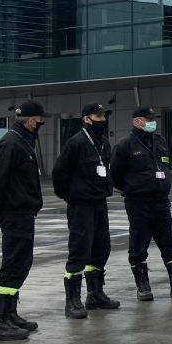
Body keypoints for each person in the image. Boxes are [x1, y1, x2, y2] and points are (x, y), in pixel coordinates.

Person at [109, 106, 172, 300]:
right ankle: (143, 286)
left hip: (161, 202)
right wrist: (133, 188)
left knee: (169, 244)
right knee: (138, 246)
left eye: (153, 119)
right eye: (148, 119)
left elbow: (165, 165)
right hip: (138, 203)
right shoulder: (125, 145)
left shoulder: (160, 141)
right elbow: (115, 174)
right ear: (136, 122)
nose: (152, 123)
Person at [0, 100, 48, 341]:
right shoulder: (12, 144)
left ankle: (9, 314)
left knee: (21, 263)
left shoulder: (22, 142)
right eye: (39, 120)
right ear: (30, 121)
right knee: (13, 264)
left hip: (23, 213)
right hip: (14, 213)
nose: (41, 124)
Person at [51, 103, 120, 319]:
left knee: (101, 248)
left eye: (104, 116)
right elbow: (59, 173)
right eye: (98, 116)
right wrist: (71, 196)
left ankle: (95, 294)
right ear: (86, 119)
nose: (102, 120)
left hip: (100, 203)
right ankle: (72, 301)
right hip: (81, 205)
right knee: (79, 251)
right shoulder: (76, 143)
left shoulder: (103, 143)